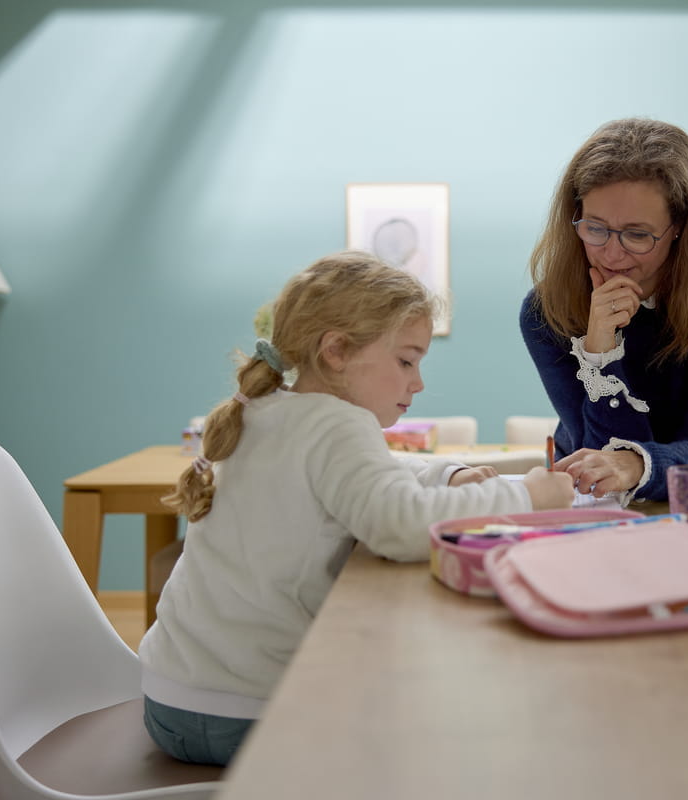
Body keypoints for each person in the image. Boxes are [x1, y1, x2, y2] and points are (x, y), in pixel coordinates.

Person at [140, 251, 575, 766]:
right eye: (406, 360)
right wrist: (528, 495)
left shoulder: (267, 410)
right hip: (253, 714)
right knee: (446, 728)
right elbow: (399, 526)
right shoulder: (336, 424)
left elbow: (369, 472)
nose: (418, 383)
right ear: (337, 351)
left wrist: (445, 473)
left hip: (168, 702)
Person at [520, 117, 688, 504]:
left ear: (680, 225)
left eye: (637, 234)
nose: (613, 253)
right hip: (593, 506)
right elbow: (599, 459)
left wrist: (636, 464)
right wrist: (600, 350)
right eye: (596, 228)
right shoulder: (545, 312)